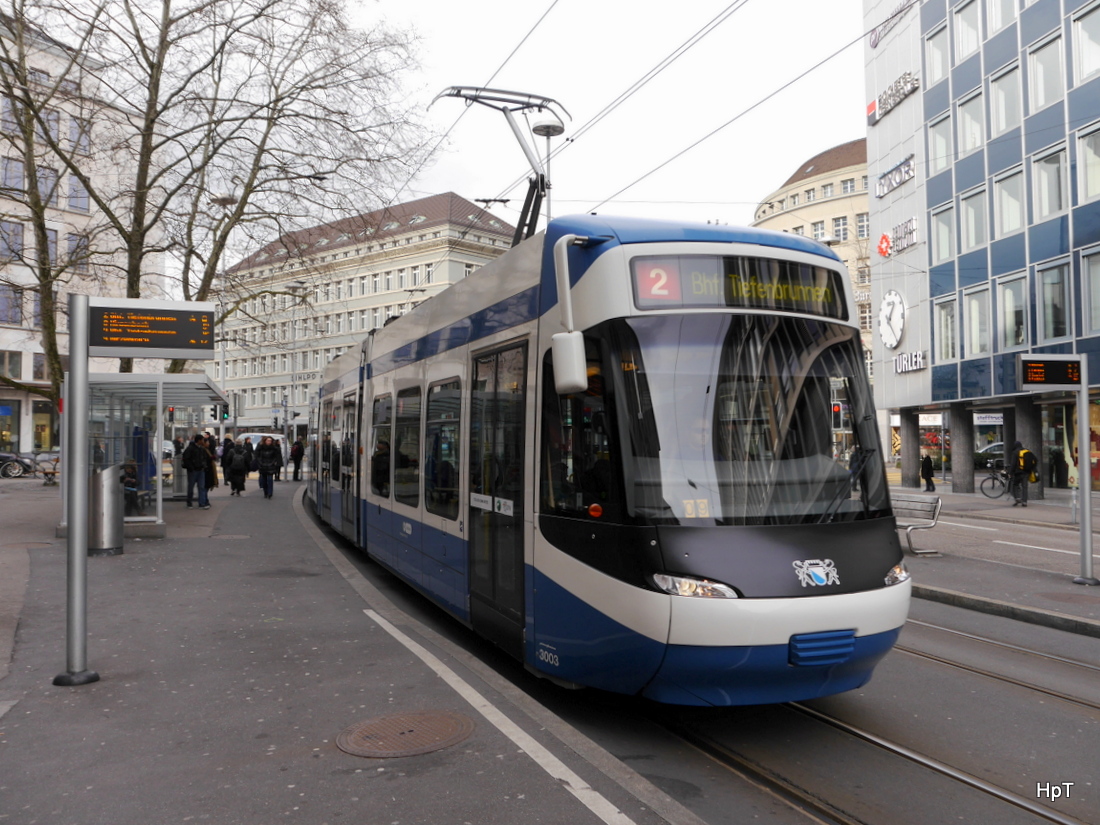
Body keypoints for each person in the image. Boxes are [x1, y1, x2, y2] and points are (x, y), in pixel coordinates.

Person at [182, 434, 211, 509]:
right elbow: (186, 458)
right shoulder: (191, 448)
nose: (203, 441)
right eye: (202, 440)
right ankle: (189, 502)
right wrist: (191, 467)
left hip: (200, 470)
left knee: (201, 487)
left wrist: (204, 466)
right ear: (199, 440)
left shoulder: (201, 448)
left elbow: (203, 458)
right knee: (191, 487)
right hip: (193, 470)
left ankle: (202, 503)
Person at [1008, 440, 1037, 507]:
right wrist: (1032, 468)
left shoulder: (1015, 452)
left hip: (1018, 472)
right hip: (1026, 472)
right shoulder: (1027, 451)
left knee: (1015, 485)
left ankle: (1017, 498)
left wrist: (1010, 473)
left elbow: (1013, 464)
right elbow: (1035, 460)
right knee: (1025, 487)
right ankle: (1024, 502)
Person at [255, 435, 283, 499]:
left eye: (270, 441)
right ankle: (266, 492)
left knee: (270, 479)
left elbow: (277, 456)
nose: (269, 442)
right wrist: (260, 463)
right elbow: (257, 456)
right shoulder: (260, 447)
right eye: (268, 440)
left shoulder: (274, 448)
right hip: (262, 465)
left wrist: (274, 463)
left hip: (271, 465)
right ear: (265, 441)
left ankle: (270, 493)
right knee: (264, 480)